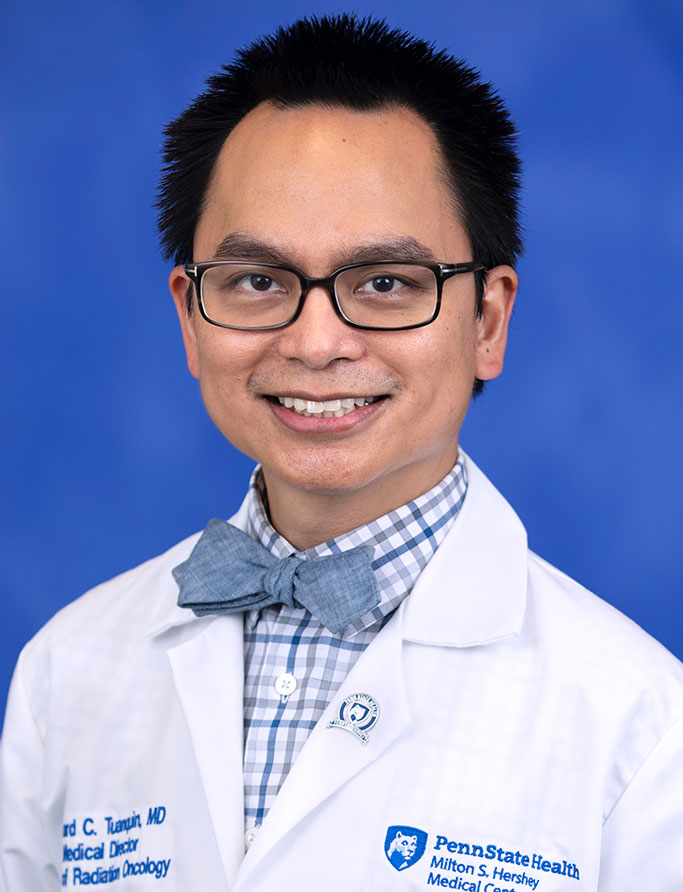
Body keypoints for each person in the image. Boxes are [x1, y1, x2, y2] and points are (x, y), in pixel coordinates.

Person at [1, 14, 682, 892]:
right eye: (256, 281)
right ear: (189, 315)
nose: (316, 341)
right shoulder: (71, 665)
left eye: (386, 283)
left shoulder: (640, 722)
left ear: (487, 320)